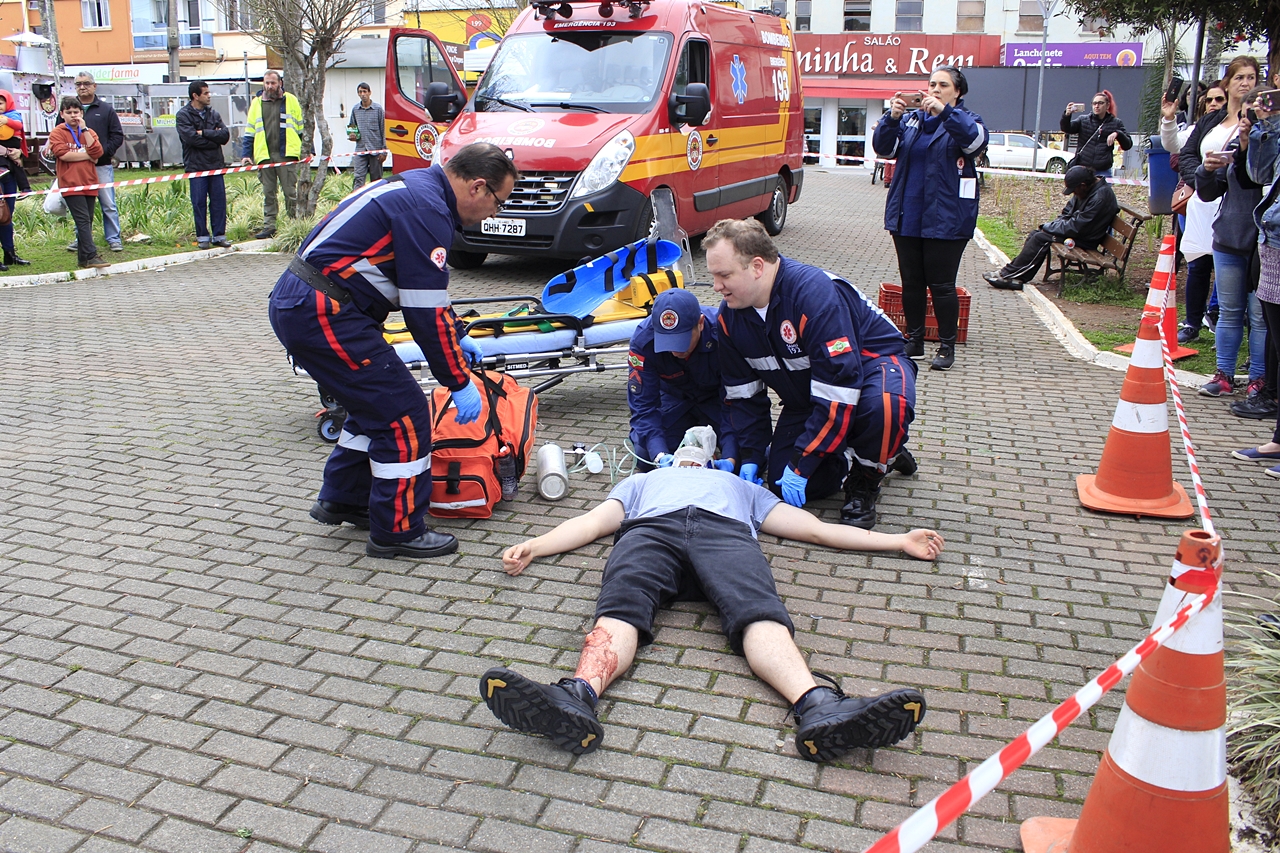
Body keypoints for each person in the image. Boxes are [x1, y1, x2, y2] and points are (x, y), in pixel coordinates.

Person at [480, 430, 940, 761]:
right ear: (670, 458)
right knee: (622, 605)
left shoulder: (740, 485)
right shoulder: (641, 481)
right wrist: (537, 545)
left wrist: (898, 540)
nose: (690, 455)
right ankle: (577, 696)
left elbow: (813, 529)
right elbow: (593, 522)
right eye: (685, 449)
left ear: (714, 459)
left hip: (724, 534)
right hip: (651, 532)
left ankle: (818, 706)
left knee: (759, 613)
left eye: (698, 450)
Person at [268, 142, 518, 559]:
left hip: (309, 305)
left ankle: (345, 498)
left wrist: (457, 333)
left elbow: (423, 290)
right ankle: (397, 530)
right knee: (405, 415)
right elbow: (423, 314)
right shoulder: (428, 211)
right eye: (498, 202)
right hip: (325, 312)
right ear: (477, 187)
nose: (495, 212)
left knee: (375, 408)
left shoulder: (419, 191)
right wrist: (458, 381)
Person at [707, 218, 917, 530]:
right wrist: (751, 455)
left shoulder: (813, 296)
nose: (716, 286)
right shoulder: (730, 319)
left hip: (871, 369)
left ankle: (866, 479)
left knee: (884, 407)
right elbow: (743, 397)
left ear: (757, 266)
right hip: (809, 395)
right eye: (713, 276)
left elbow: (840, 388)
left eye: (724, 275)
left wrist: (804, 461)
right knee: (783, 482)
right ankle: (872, 447)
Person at [871, 65, 986, 371]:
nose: (935, 89)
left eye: (943, 85)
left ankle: (947, 346)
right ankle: (915, 340)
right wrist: (891, 118)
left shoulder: (969, 120)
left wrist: (945, 113)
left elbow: (974, 143)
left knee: (942, 284)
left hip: (946, 217)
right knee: (911, 282)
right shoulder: (912, 121)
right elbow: (884, 149)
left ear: (957, 92)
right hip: (908, 214)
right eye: (932, 84)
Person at [1195, 87, 1268, 401]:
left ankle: (1259, 378)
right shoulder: (1233, 146)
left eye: (1257, 114)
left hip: (1264, 243)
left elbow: (1259, 178)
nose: (1249, 121)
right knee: (1229, 311)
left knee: (1259, 315)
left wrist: (1256, 143)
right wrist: (1206, 169)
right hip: (1228, 238)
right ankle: (1223, 374)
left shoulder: (1270, 148)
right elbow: (1209, 191)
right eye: (1245, 115)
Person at [627, 287, 737, 470]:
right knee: (646, 457)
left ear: (700, 323)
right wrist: (660, 455)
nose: (675, 350)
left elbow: (734, 399)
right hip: (674, 399)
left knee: (746, 453)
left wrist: (731, 456)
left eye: (682, 340)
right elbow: (644, 406)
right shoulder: (643, 341)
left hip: (716, 400)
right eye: (667, 342)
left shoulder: (723, 333)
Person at [982, 166, 1119, 290]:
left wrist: (1049, 227)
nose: (1073, 194)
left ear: (1082, 185)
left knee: (1040, 237)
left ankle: (1007, 274)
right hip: (1079, 232)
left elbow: (1076, 226)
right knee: (1036, 234)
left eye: (1074, 190)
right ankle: (1018, 276)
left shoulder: (1100, 197)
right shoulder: (1087, 190)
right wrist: (1052, 226)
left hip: (1086, 238)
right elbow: (1067, 213)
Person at [1163, 85, 1227, 345]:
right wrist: (1169, 119)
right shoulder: (1199, 128)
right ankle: (1192, 323)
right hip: (1200, 204)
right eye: (1209, 99)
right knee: (1198, 265)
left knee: (1225, 267)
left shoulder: (1241, 126)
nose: (1213, 103)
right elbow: (1175, 149)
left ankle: (1216, 314)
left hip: (1231, 205)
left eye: (1219, 99)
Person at [57, 72, 124, 253]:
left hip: (101, 165)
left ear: (94, 86)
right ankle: (81, 239)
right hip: (76, 167)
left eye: (86, 83)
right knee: (81, 205)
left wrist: (102, 154)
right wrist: (81, 156)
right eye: (78, 84)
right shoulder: (68, 108)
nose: (82, 87)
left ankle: (113, 238)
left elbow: (117, 135)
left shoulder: (106, 109)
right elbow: (59, 134)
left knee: (108, 203)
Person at [241, 71, 303, 239]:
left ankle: (295, 225)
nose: (269, 86)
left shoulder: (291, 100)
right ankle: (269, 226)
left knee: (290, 192)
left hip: (287, 155)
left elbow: (301, 128)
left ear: (280, 83)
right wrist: (246, 154)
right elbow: (250, 131)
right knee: (269, 192)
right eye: (267, 83)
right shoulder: (257, 103)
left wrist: (307, 149)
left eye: (273, 83)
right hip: (265, 155)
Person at [50, 97, 109, 270]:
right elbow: (63, 154)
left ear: (82, 113)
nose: (73, 115)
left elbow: (97, 152)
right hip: (70, 183)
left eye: (76, 112)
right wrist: (87, 156)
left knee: (87, 220)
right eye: (69, 112)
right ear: (62, 114)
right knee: (82, 219)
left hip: (89, 182)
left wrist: (84, 130)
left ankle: (83, 258)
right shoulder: (58, 132)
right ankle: (91, 255)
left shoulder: (88, 132)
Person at [176, 80, 231, 250]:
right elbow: (191, 139)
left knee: (218, 201)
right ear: (195, 96)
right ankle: (202, 237)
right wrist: (213, 139)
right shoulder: (183, 116)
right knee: (199, 202)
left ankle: (219, 235)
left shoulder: (213, 114)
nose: (209, 96)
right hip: (196, 166)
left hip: (215, 165)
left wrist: (204, 133)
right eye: (205, 93)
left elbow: (224, 136)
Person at [1060, 90, 1131, 178]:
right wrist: (1067, 115)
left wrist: (1117, 133)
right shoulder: (1083, 120)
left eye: (1100, 103)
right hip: (1083, 168)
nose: (1097, 106)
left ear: (1107, 105)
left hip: (1103, 170)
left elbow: (1127, 145)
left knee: (1104, 187)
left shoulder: (1116, 123)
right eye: (1094, 103)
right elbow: (1066, 128)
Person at [0, 91, 28, 270]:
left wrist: (17, 152)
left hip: (9, 173)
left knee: (6, 216)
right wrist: (6, 151)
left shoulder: (11, 119)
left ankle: (9, 254)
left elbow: (18, 141)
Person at [347, 82, 386, 191]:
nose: (363, 94)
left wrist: (384, 151)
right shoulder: (355, 109)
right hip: (360, 150)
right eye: (360, 92)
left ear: (369, 93)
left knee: (376, 180)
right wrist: (352, 135)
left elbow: (384, 130)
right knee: (358, 178)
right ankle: (357, 198)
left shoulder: (378, 109)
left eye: (365, 91)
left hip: (375, 150)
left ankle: (376, 199)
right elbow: (352, 127)